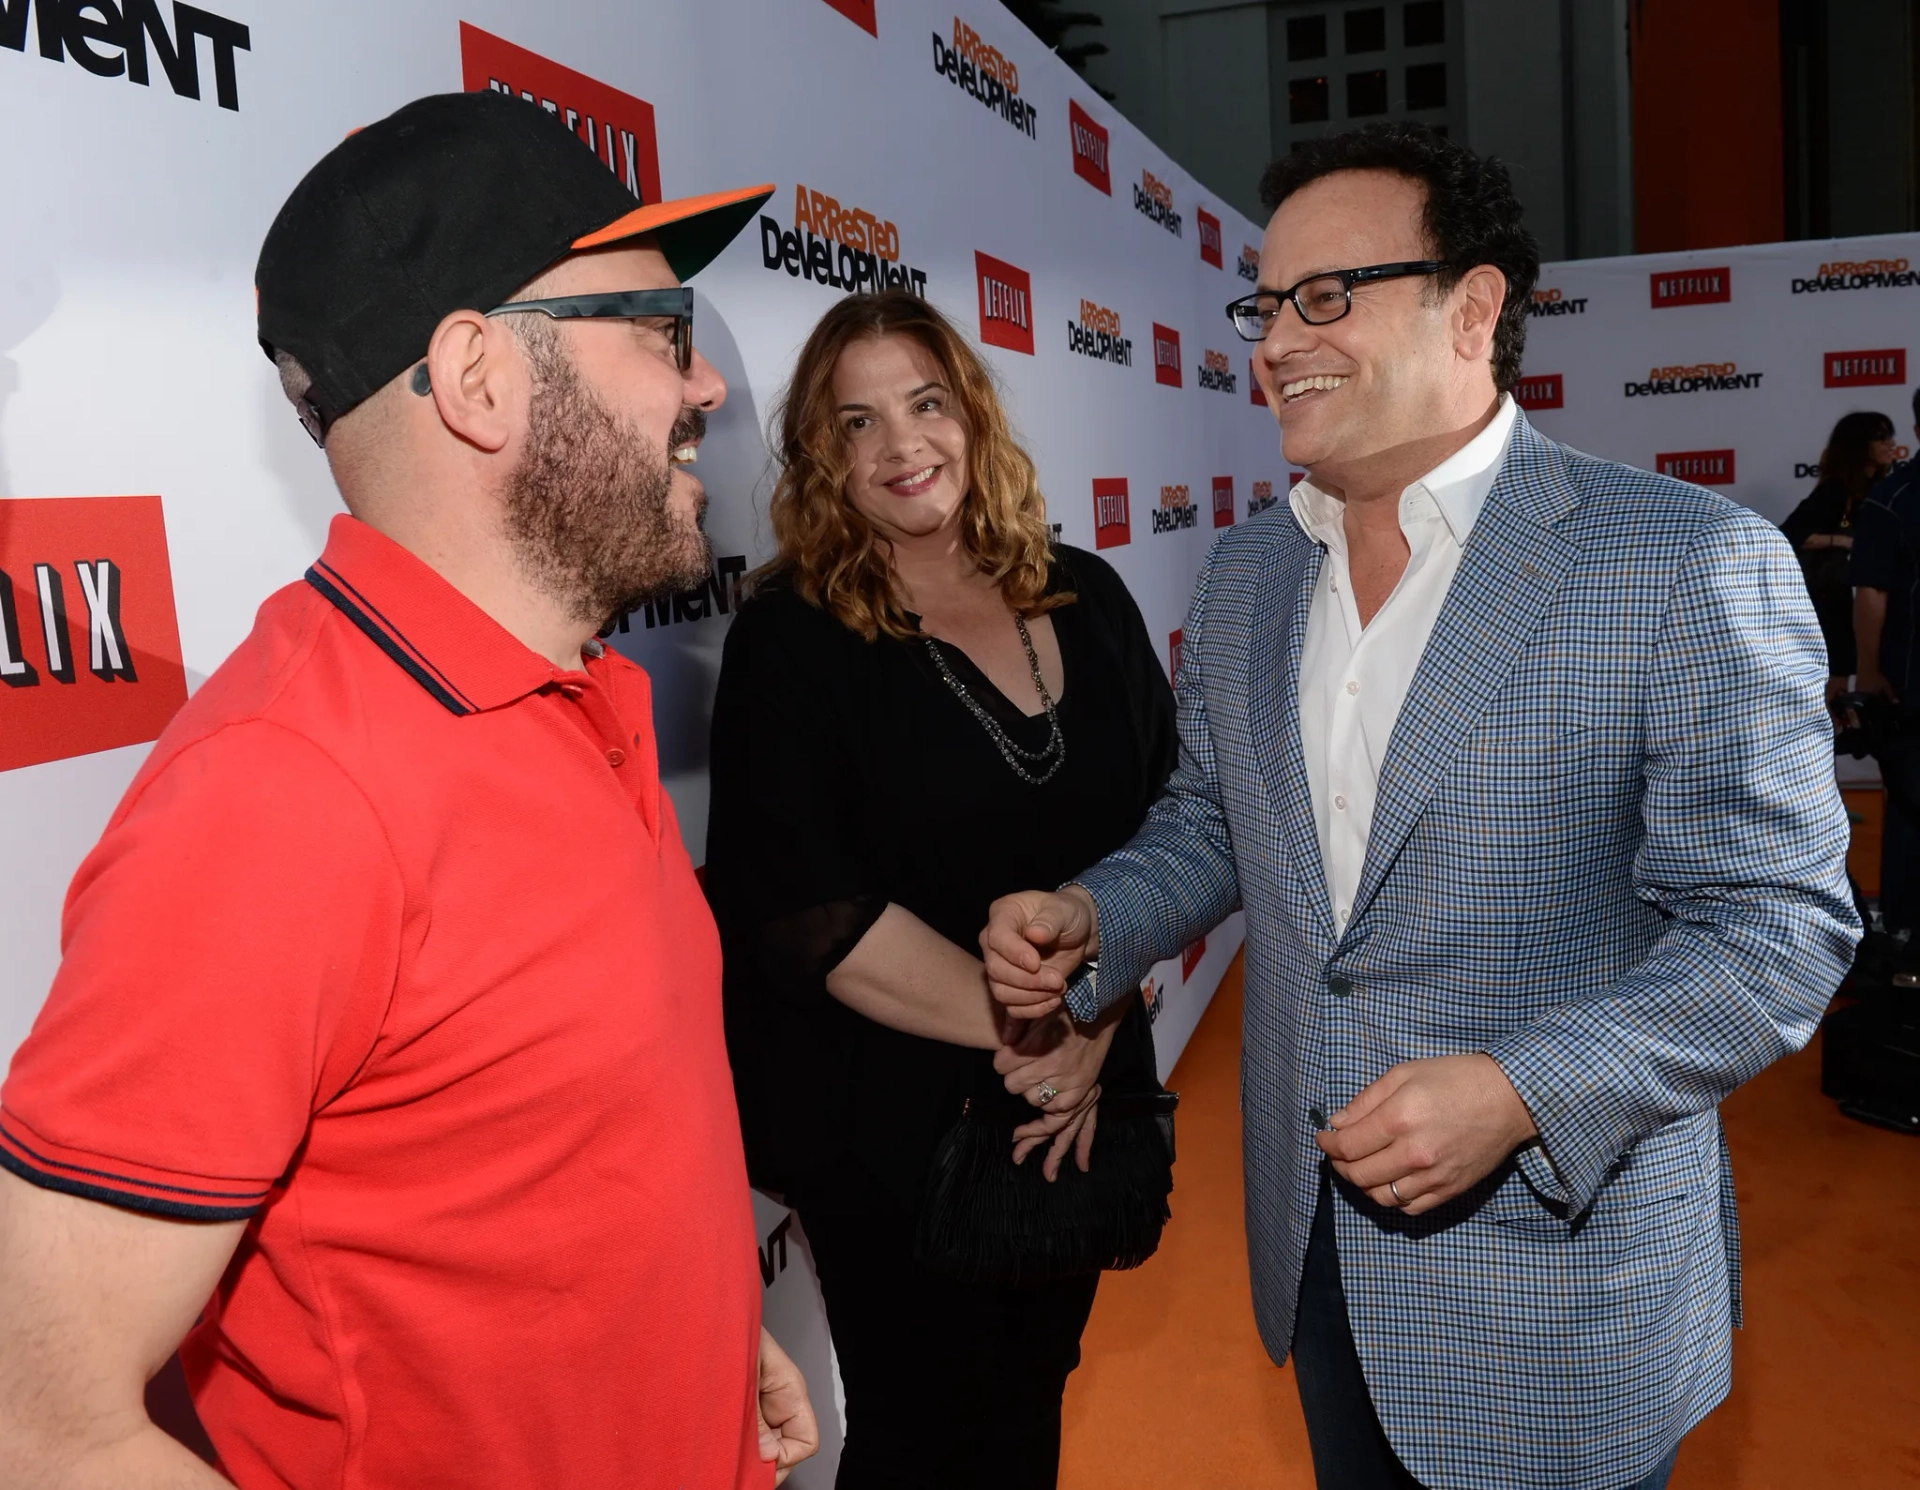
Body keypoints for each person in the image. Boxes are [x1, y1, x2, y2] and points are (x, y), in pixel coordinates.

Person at [981, 123, 1857, 1490]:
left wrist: (1520, 1087)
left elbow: (1776, 931)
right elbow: (1216, 822)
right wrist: (1098, 914)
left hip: (1560, 1286)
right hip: (1312, 1244)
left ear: (1475, 305)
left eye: (1327, 296)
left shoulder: (1682, 562)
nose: (1276, 341)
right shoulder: (1251, 571)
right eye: (1265, 304)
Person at [0, 92, 816, 1490]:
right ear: (482, 375)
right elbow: (35, 1419)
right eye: (658, 333)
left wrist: (703, 1334)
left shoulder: (580, 692)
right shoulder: (281, 796)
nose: (708, 388)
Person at [705, 290, 1175, 1490]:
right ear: (823, 457)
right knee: (926, 1431)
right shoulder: (792, 635)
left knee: (1030, 1395)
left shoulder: (1090, 593)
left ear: (971, 411)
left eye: (924, 403)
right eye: (856, 423)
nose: (902, 444)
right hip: (890, 1125)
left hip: (1077, 1086)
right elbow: (808, 909)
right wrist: (1038, 1028)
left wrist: (1095, 1018)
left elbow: (1177, 840)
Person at [1850, 387, 1920, 935]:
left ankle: (1903, 935)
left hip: (1905, 685)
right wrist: (1870, 673)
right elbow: (1870, 592)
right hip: (1909, 690)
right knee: (1909, 815)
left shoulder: (1893, 495)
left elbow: (1872, 591)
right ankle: (1902, 939)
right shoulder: (1892, 498)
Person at [1780, 410, 1898, 704]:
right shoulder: (1836, 490)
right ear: (1860, 445)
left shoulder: (1882, 490)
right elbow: (1790, 533)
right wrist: (1842, 541)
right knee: (1839, 690)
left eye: (1891, 435)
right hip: (1836, 603)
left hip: (1869, 601)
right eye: (1881, 437)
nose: (1891, 444)